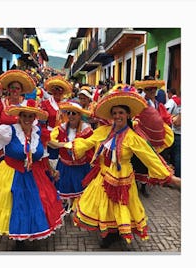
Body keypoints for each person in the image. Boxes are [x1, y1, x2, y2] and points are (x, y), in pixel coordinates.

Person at [60, 88, 181, 247]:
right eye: (115, 113)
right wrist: (67, 145)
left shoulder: (132, 138)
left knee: (120, 206)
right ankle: (109, 233)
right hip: (103, 176)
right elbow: (88, 142)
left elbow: (149, 157)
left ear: (127, 115)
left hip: (122, 180)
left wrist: (170, 177)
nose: (117, 116)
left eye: (121, 113)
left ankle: (115, 232)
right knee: (104, 206)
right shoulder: (103, 131)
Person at [0, 99, 65, 249]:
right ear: (19, 116)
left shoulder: (38, 132)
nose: (27, 119)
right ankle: (19, 240)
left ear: (34, 118)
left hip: (34, 174)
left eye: (30, 116)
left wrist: (52, 170)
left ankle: (28, 232)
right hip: (12, 174)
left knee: (33, 204)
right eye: (24, 116)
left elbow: (42, 154)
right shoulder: (8, 130)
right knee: (16, 205)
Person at [50, 101, 93, 213]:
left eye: (74, 113)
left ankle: (79, 211)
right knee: (64, 190)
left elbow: (92, 145)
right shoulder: (61, 128)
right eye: (68, 113)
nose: (70, 116)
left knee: (80, 192)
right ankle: (66, 207)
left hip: (81, 167)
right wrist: (64, 145)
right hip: (65, 166)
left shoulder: (87, 130)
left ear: (80, 115)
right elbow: (50, 141)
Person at [40, 75, 73, 164]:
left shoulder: (68, 104)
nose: (57, 92)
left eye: (60, 89)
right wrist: (47, 138)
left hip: (65, 135)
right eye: (55, 89)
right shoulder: (45, 104)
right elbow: (41, 124)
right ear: (51, 90)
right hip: (51, 137)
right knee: (52, 162)